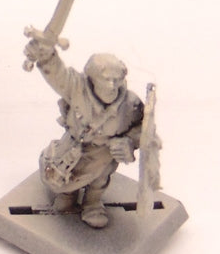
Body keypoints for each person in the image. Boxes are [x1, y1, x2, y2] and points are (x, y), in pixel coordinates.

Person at [23, 40, 143, 229]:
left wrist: (129, 143)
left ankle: (92, 204)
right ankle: (68, 194)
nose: (112, 85)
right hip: (73, 145)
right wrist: (45, 54)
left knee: (99, 179)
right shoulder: (77, 89)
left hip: (103, 151)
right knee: (63, 174)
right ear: (93, 79)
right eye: (106, 79)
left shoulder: (131, 104)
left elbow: (142, 129)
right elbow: (58, 74)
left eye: (117, 79)